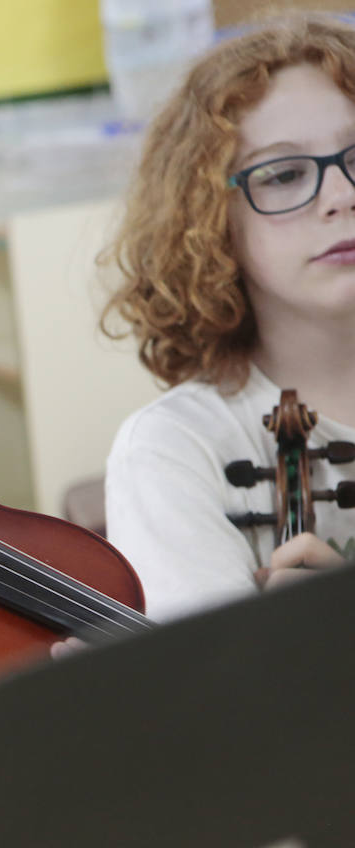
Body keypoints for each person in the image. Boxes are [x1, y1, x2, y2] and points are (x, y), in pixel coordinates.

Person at [101, 12, 355, 623]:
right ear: (212, 222)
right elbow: (222, 708)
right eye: (284, 173)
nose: (343, 194)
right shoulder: (172, 452)